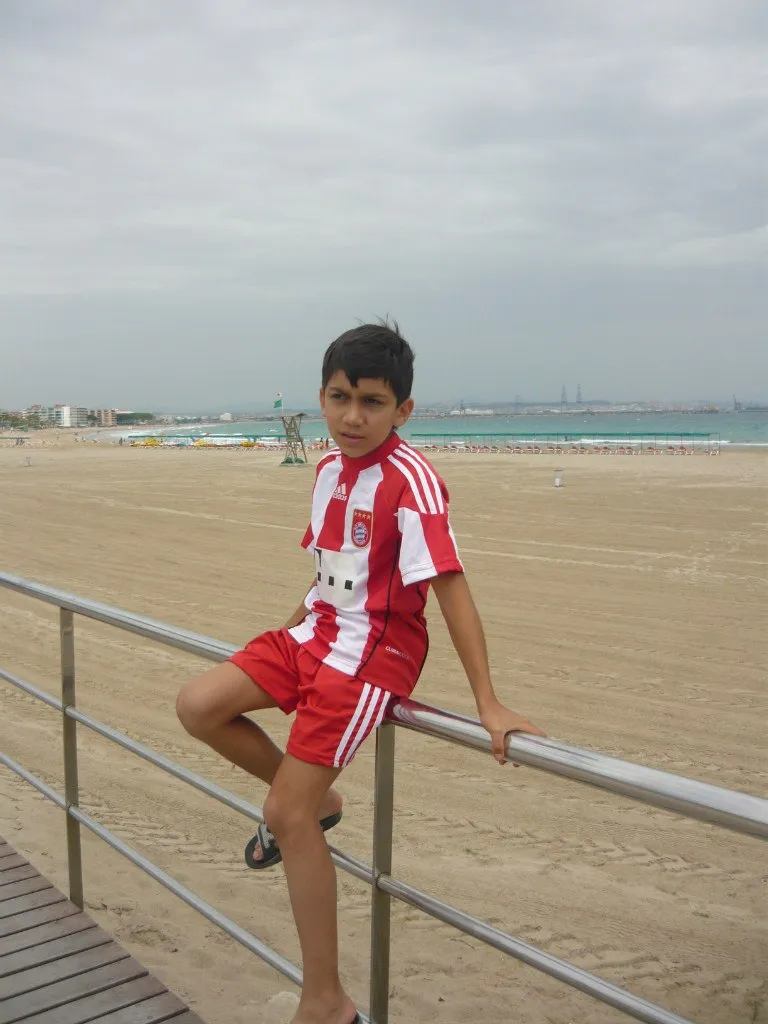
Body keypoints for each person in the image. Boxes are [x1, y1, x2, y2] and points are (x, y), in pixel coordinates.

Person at [176, 321, 544, 1024]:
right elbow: (328, 571)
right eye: (340, 397)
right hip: (316, 632)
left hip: (374, 656)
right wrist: (285, 636)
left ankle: (326, 999)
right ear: (321, 396)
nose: (353, 416)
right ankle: (320, 802)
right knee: (198, 704)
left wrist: (488, 701)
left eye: (372, 402)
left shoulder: (413, 481)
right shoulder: (326, 470)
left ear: (403, 410)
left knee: (285, 814)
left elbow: (449, 586)